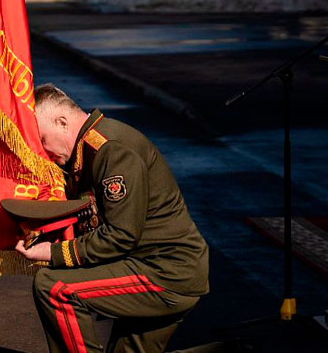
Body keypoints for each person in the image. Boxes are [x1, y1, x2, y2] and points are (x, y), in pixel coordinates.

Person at [15, 84, 208, 353]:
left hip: (164, 272)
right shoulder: (86, 150)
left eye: (43, 139)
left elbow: (121, 235)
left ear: (62, 122)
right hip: (160, 268)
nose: (44, 151)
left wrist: (53, 253)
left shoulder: (111, 149)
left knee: (54, 287)